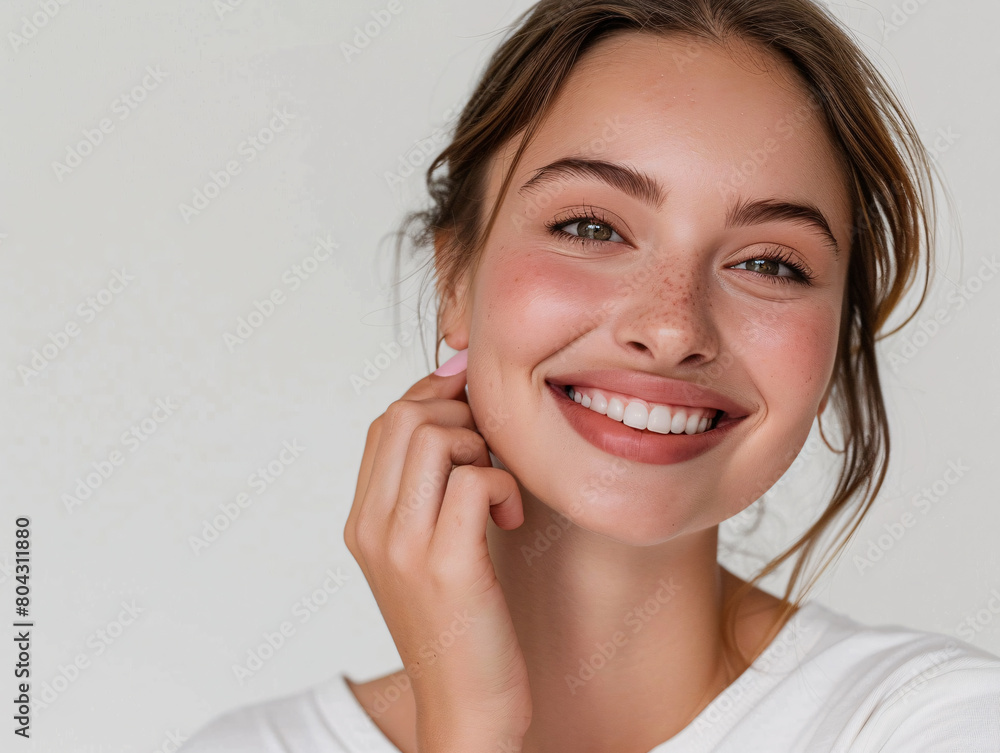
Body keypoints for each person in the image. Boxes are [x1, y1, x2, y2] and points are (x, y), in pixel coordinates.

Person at [181, 0, 1000, 751]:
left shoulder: (936, 721)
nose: (673, 327)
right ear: (456, 278)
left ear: (835, 346)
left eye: (769, 263)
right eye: (590, 226)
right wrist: (470, 724)